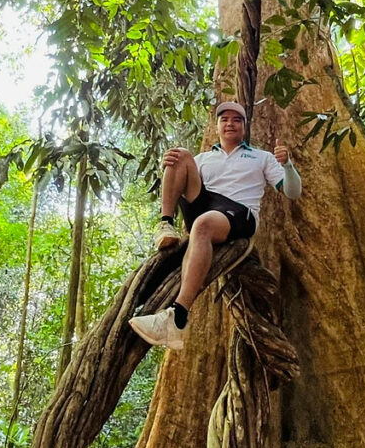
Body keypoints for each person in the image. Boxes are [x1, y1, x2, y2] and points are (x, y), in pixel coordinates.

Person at [129, 101, 302, 350]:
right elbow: (180, 182)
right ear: (217, 126)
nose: (230, 123)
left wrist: (287, 166)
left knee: (203, 225)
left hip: (239, 212)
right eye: (225, 119)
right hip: (206, 206)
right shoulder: (203, 159)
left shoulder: (260, 157)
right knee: (179, 155)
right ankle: (166, 224)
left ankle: (177, 318)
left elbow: (292, 192)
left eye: (236, 120)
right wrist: (167, 165)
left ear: (244, 127)